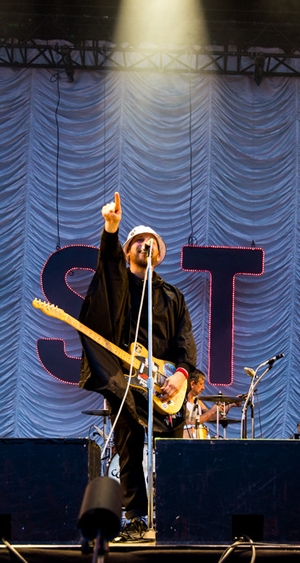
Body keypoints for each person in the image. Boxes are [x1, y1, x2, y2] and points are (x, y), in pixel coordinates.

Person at [79, 192, 197, 540]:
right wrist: (111, 230)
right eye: (139, 242)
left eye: (152, 243)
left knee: (171, 451)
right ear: (129, 250)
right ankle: (135, 516)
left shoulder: (173, 296)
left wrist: (181, 374)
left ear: (159, 254)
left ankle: (174, 513)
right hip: (126, 381)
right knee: (128, 449)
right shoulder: (119, 285)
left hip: (164, 386)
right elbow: (108, 266)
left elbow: (185, 340)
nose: (146, 246)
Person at [184, 369, 233, 438]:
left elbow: (211, 417)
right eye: (201, 384)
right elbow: (190, 421)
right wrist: (212, 411)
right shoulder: (183, 401)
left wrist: (231, 405)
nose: (203, 388)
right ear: (192, 384)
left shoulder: (197, 401)